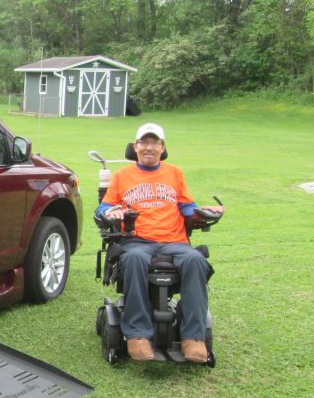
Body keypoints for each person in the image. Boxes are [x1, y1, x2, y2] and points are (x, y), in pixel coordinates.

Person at [94, 123, 224, 363]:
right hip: (137, 240)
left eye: (155, 143)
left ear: (162, 148)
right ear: (136, 147)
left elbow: (187, 206)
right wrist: (113, 212)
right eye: (144, 142)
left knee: (196, 260)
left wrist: (201, 212)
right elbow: (103, 207)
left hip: (175, 241)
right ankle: (137, 335)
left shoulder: (175, 173)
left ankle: (193, 338)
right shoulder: (122, 176)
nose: (149, 147)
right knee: (133, 259)